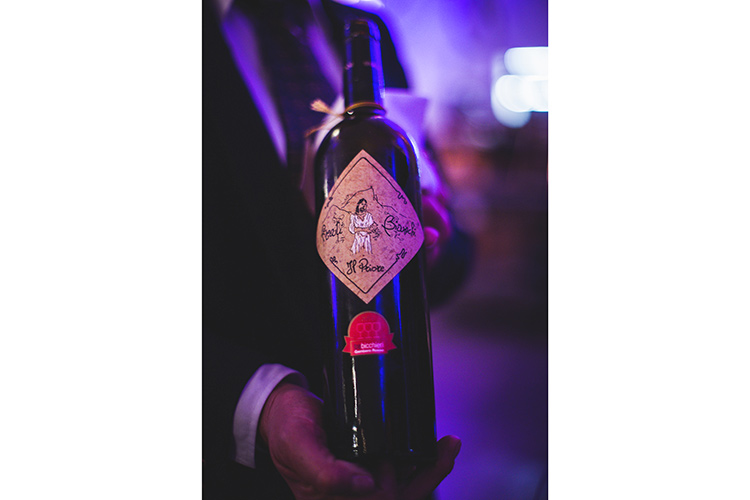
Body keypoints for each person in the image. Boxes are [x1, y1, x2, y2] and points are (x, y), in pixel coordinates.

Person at [203, 0, 473, 498]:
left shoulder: (368, 30)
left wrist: (434, 246)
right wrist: (260, 402)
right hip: (235, 472)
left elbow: (457, 246)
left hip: (401, 443)